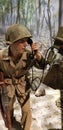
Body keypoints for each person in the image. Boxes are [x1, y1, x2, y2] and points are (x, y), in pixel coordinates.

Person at [0, 23, 47, 130]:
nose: (25, 44)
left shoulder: (29, 55)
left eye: (26, 41)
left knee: (26, 110)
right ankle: (10, 125)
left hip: (23, 84)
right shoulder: (1, 56)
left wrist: (38, 56)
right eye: (21, 41)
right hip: (7, 86)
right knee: (8, 109)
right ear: (11, 43)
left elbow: (42, 66)